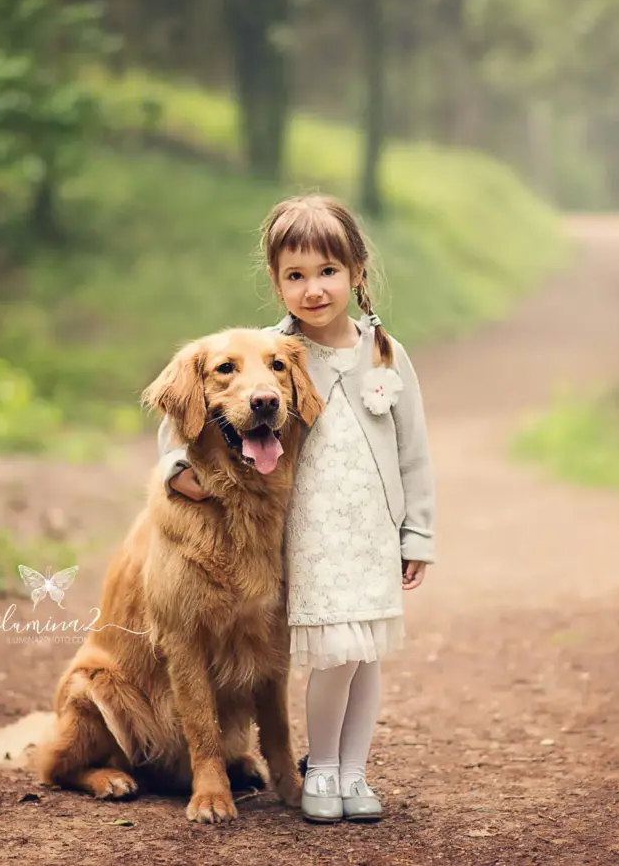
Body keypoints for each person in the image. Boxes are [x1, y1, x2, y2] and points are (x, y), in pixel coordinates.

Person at [155, 194, 435, 823]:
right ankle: (322, 771)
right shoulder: (268, 349)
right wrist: (179, 473)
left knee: (365, 653)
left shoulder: (385, 352)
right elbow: (179, 427)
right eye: (296, 275)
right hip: (303, 534)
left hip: (370, 531)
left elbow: (415, 450)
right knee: (335, 652)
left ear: (358, 272)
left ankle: (354, 773)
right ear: (277, 282)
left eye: (329, 271)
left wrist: (417, 534)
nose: (313, 289)